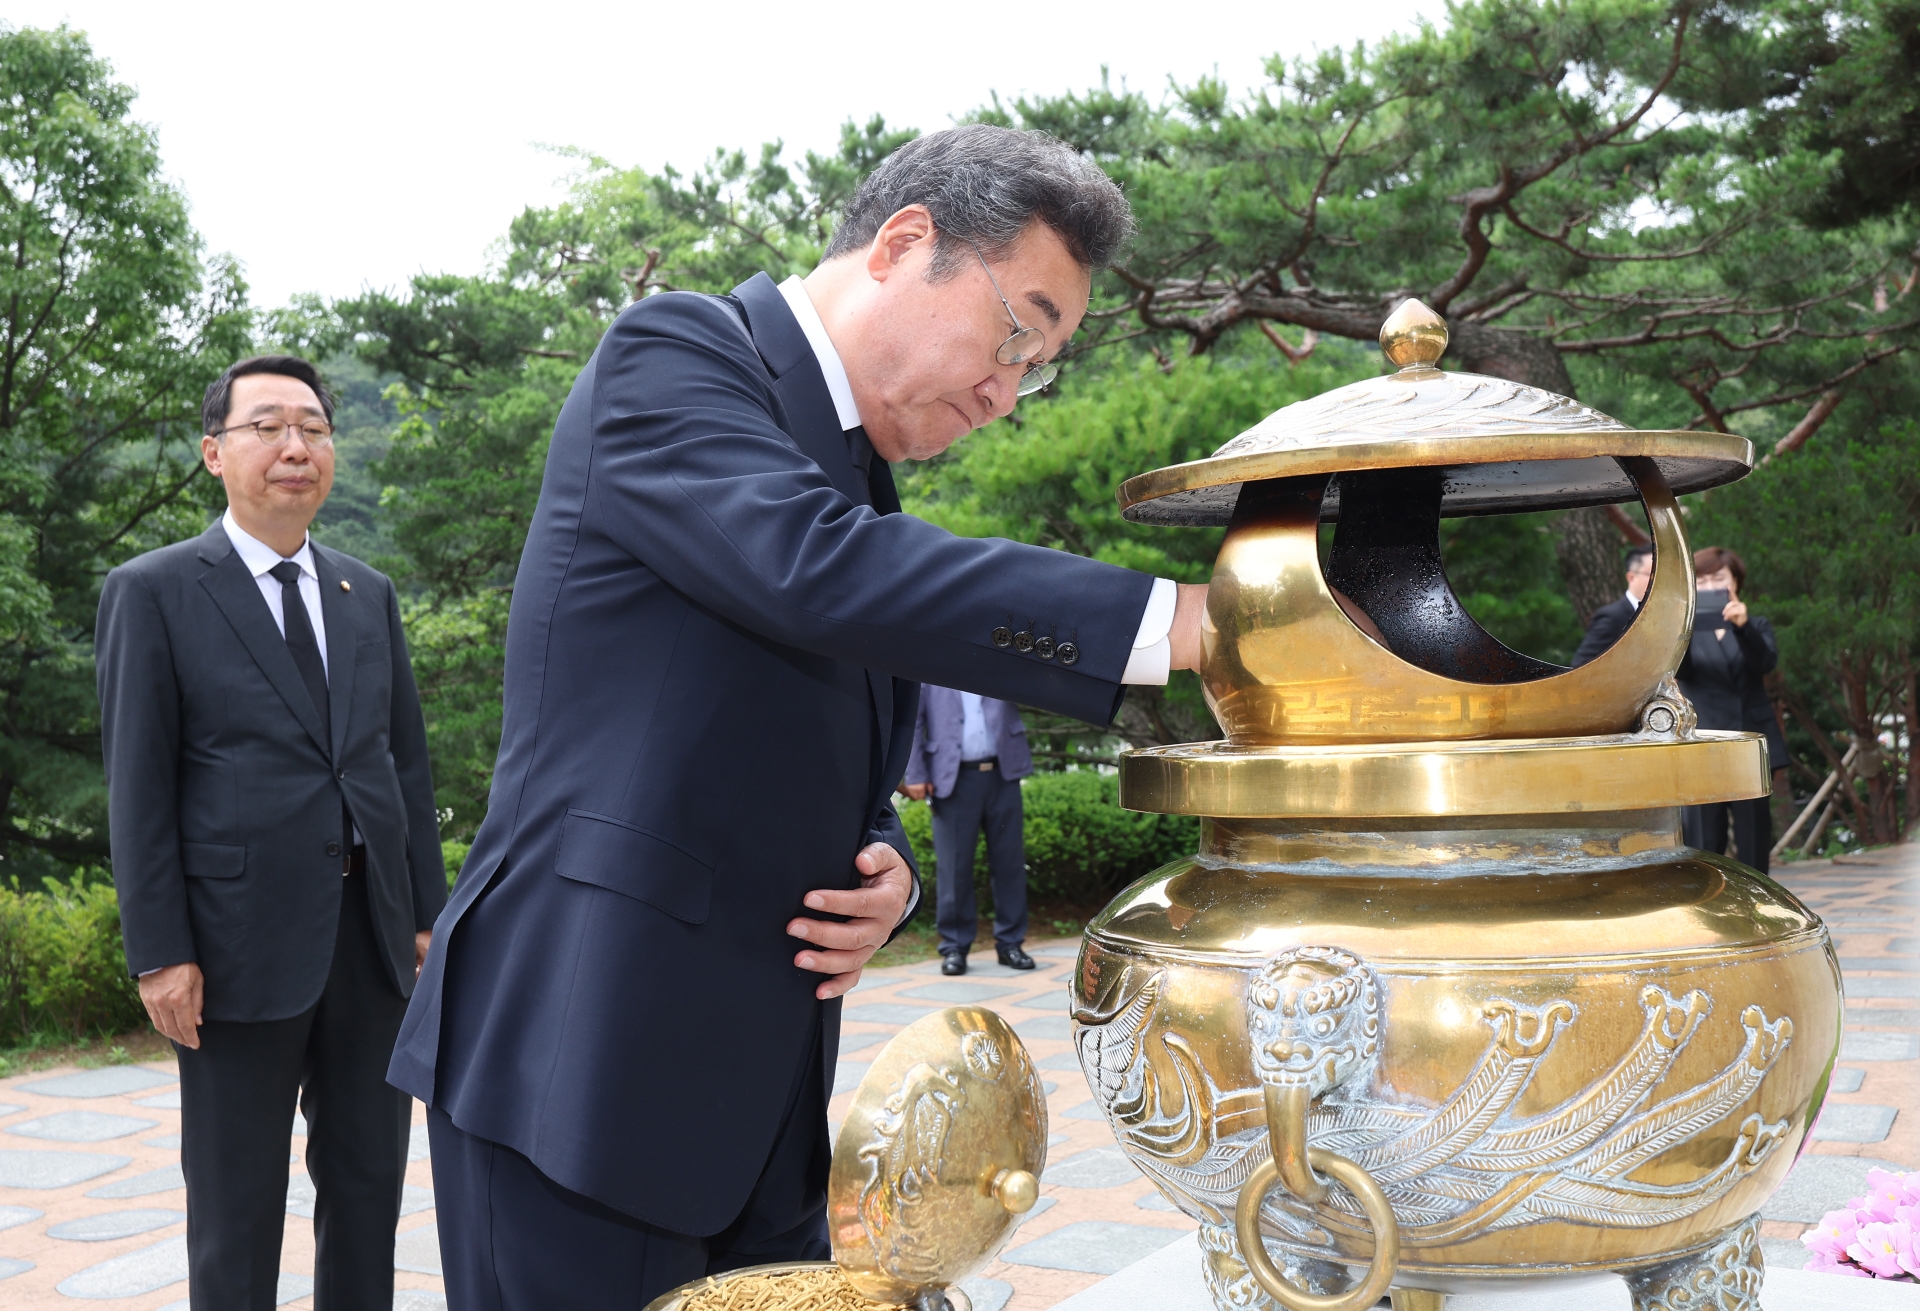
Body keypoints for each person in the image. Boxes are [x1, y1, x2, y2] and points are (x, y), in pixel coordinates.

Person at [388, 125, 1208, 1308]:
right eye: (1017, 331)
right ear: (905, 242)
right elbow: (817, 573)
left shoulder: (851, 476)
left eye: (1040, 367)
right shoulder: (672, 355)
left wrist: (882, 870)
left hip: (757, 1102)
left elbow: (796, 737)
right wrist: (1174, 622)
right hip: (588, 1065)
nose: (1009, 390)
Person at [96, 355, 446, 1310]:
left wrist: (426, 915)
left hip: (371, 947)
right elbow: (139, 786)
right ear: (215, 451)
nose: (296, 446)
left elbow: (399, 767)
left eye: (314, 427)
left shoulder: (364, 592)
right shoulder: (155, 590)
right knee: (237, 1207)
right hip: (231, 951)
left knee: (370, 1190)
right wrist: (160, 951)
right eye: (267, 426)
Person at [900, 686, 1035, 975]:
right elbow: (914, 722)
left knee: (1009, 863)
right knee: (954, 868)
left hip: (1003, 775)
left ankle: (1011, 943)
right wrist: (915, 774)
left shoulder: (998, 661)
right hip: (953, 780)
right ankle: (954, 948)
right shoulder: (930, 674)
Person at [1676, 545, 1788, 871]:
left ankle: (1759, 909)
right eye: (1702, 579)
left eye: (1719, 578)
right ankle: (1709, 908)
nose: (1710, 586)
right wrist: (1680, 627)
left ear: (1735, 581)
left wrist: (1743, 627)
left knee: (1754, 837)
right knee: (1705, 840)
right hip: (1704, 746)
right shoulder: (1684, 630)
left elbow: (1764, 663)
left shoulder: (1756, 625)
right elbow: (1679, 672)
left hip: (1748, 747)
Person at [1570, 545, 1652, 666]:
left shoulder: (1667, 615)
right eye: (1653, 574)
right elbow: (1580, 667)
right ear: (1632, 578)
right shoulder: (1612, 618)